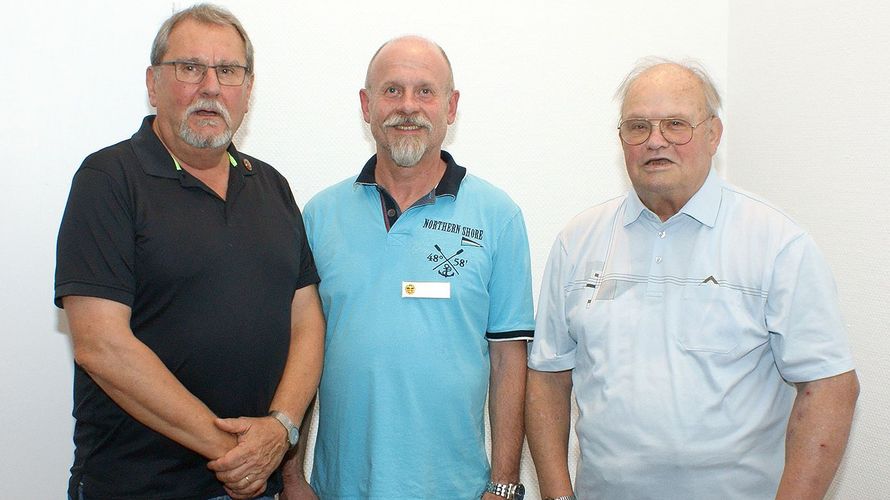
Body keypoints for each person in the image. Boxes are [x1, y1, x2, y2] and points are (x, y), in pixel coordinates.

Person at [526, 58, 859, 500]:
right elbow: (548, 377)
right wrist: (556, 494)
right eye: (638, 126)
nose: (655, 141)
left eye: (676, 124)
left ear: (713, 134)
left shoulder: (776, 242)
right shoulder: (578, 241)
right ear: (621, 139)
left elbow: (830, 386)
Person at [54, 4, 324, 499]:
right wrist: (236, 452)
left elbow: (306, 319)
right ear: (153, 83)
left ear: (248, 89)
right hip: (138, 486)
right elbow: (101, 345)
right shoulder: (108, 180)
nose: (211, 87)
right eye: (190, 68)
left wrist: (280, 428)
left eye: (228, 71)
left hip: (257, 481)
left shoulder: (271, 186)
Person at [282, 36, 534, 500]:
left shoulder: (498, 217)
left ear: (451, 106)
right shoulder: (319, 216)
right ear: (366, 104)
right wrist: (293, 478)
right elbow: (298, 353)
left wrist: (503, 485)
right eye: (392, 91)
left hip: (457, 489)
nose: (408, 107)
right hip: (341, 487)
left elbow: (508, 360)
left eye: (425, 91)